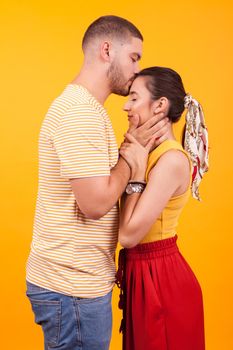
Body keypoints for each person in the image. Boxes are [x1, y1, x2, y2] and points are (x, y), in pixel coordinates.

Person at [26, 16, 169, 350]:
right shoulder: (80, 113)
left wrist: (132, 155)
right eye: (134, 57)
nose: (138, 69)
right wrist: (131, 156)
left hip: (74, 286)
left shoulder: (90, 110)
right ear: (107, 50)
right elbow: (94, 204)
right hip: (72, 289)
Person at [116, 66, 209, 350]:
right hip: (142, 274)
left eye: (134, 98)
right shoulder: (146, 152)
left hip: (161, 281)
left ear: (160, 105)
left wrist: (136, 171)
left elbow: (129, 236)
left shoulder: (170, 160)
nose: (125, 106)